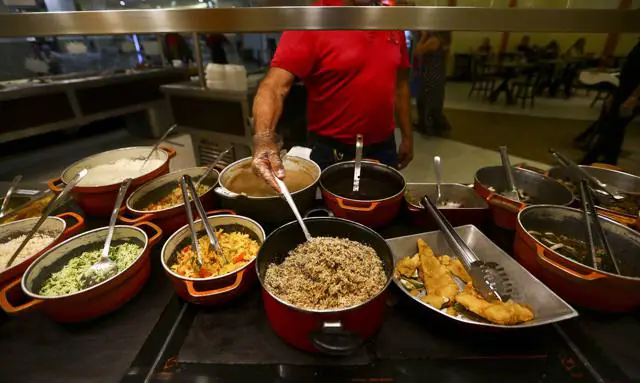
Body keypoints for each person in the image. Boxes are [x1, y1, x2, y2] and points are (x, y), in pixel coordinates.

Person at [250, 0, 414, 190]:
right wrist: (263, 139)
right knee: (330, 215)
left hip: (384, 148)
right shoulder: (316, 18)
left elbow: (401, 86)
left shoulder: (391, 20)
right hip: (332, 151)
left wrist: (408, 137)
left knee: (383, 211)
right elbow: (273, 87)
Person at [581, 40, 640, 165]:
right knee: (614, 128)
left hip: (633, 93)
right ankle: (609, 162)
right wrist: (614, 94)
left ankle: (589, 162)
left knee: (612, 127)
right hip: (623, 89)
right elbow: (628, 70)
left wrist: (634, 97)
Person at [414, 30, 452, 136]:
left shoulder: (434, 41)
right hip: (437, 74)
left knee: (424, 100)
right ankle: (432, 125)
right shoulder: (444, 42)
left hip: (430, 75)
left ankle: (430, 126)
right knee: (434, 101)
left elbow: (417, 51)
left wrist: (424, 36)